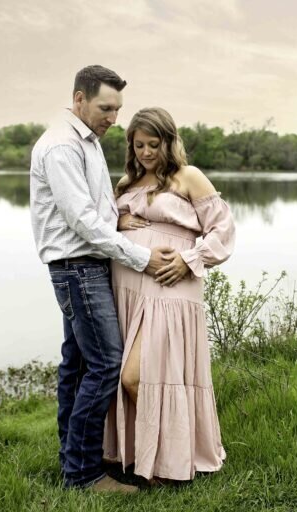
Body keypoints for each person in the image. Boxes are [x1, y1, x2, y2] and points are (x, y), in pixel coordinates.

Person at [29, 65, 174, 493]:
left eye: (118, 109)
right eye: (106, 107)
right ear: (79, 99)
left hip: (85, 266)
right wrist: (143, 258)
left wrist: (123, 217)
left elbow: (98, 209)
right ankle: (86, 474)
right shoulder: (61, 146)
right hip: (78, 267)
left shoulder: (87, 141)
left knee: (76, 367)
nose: (114, 117)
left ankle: (72, 462)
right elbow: (83, 222)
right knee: (106, 364)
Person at [103, 107, 235, 482]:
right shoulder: (127, 183)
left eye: (153, 144)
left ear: (169, 141)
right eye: (138, 144)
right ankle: (136, 455)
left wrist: (190, 260)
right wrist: (118, 219)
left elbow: (223, 232)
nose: (145, 152)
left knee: (137, 376)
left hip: (169, 289)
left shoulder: (188, 177)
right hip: (128, 291)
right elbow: (97, 225)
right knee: (127, 376)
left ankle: (170, 458)